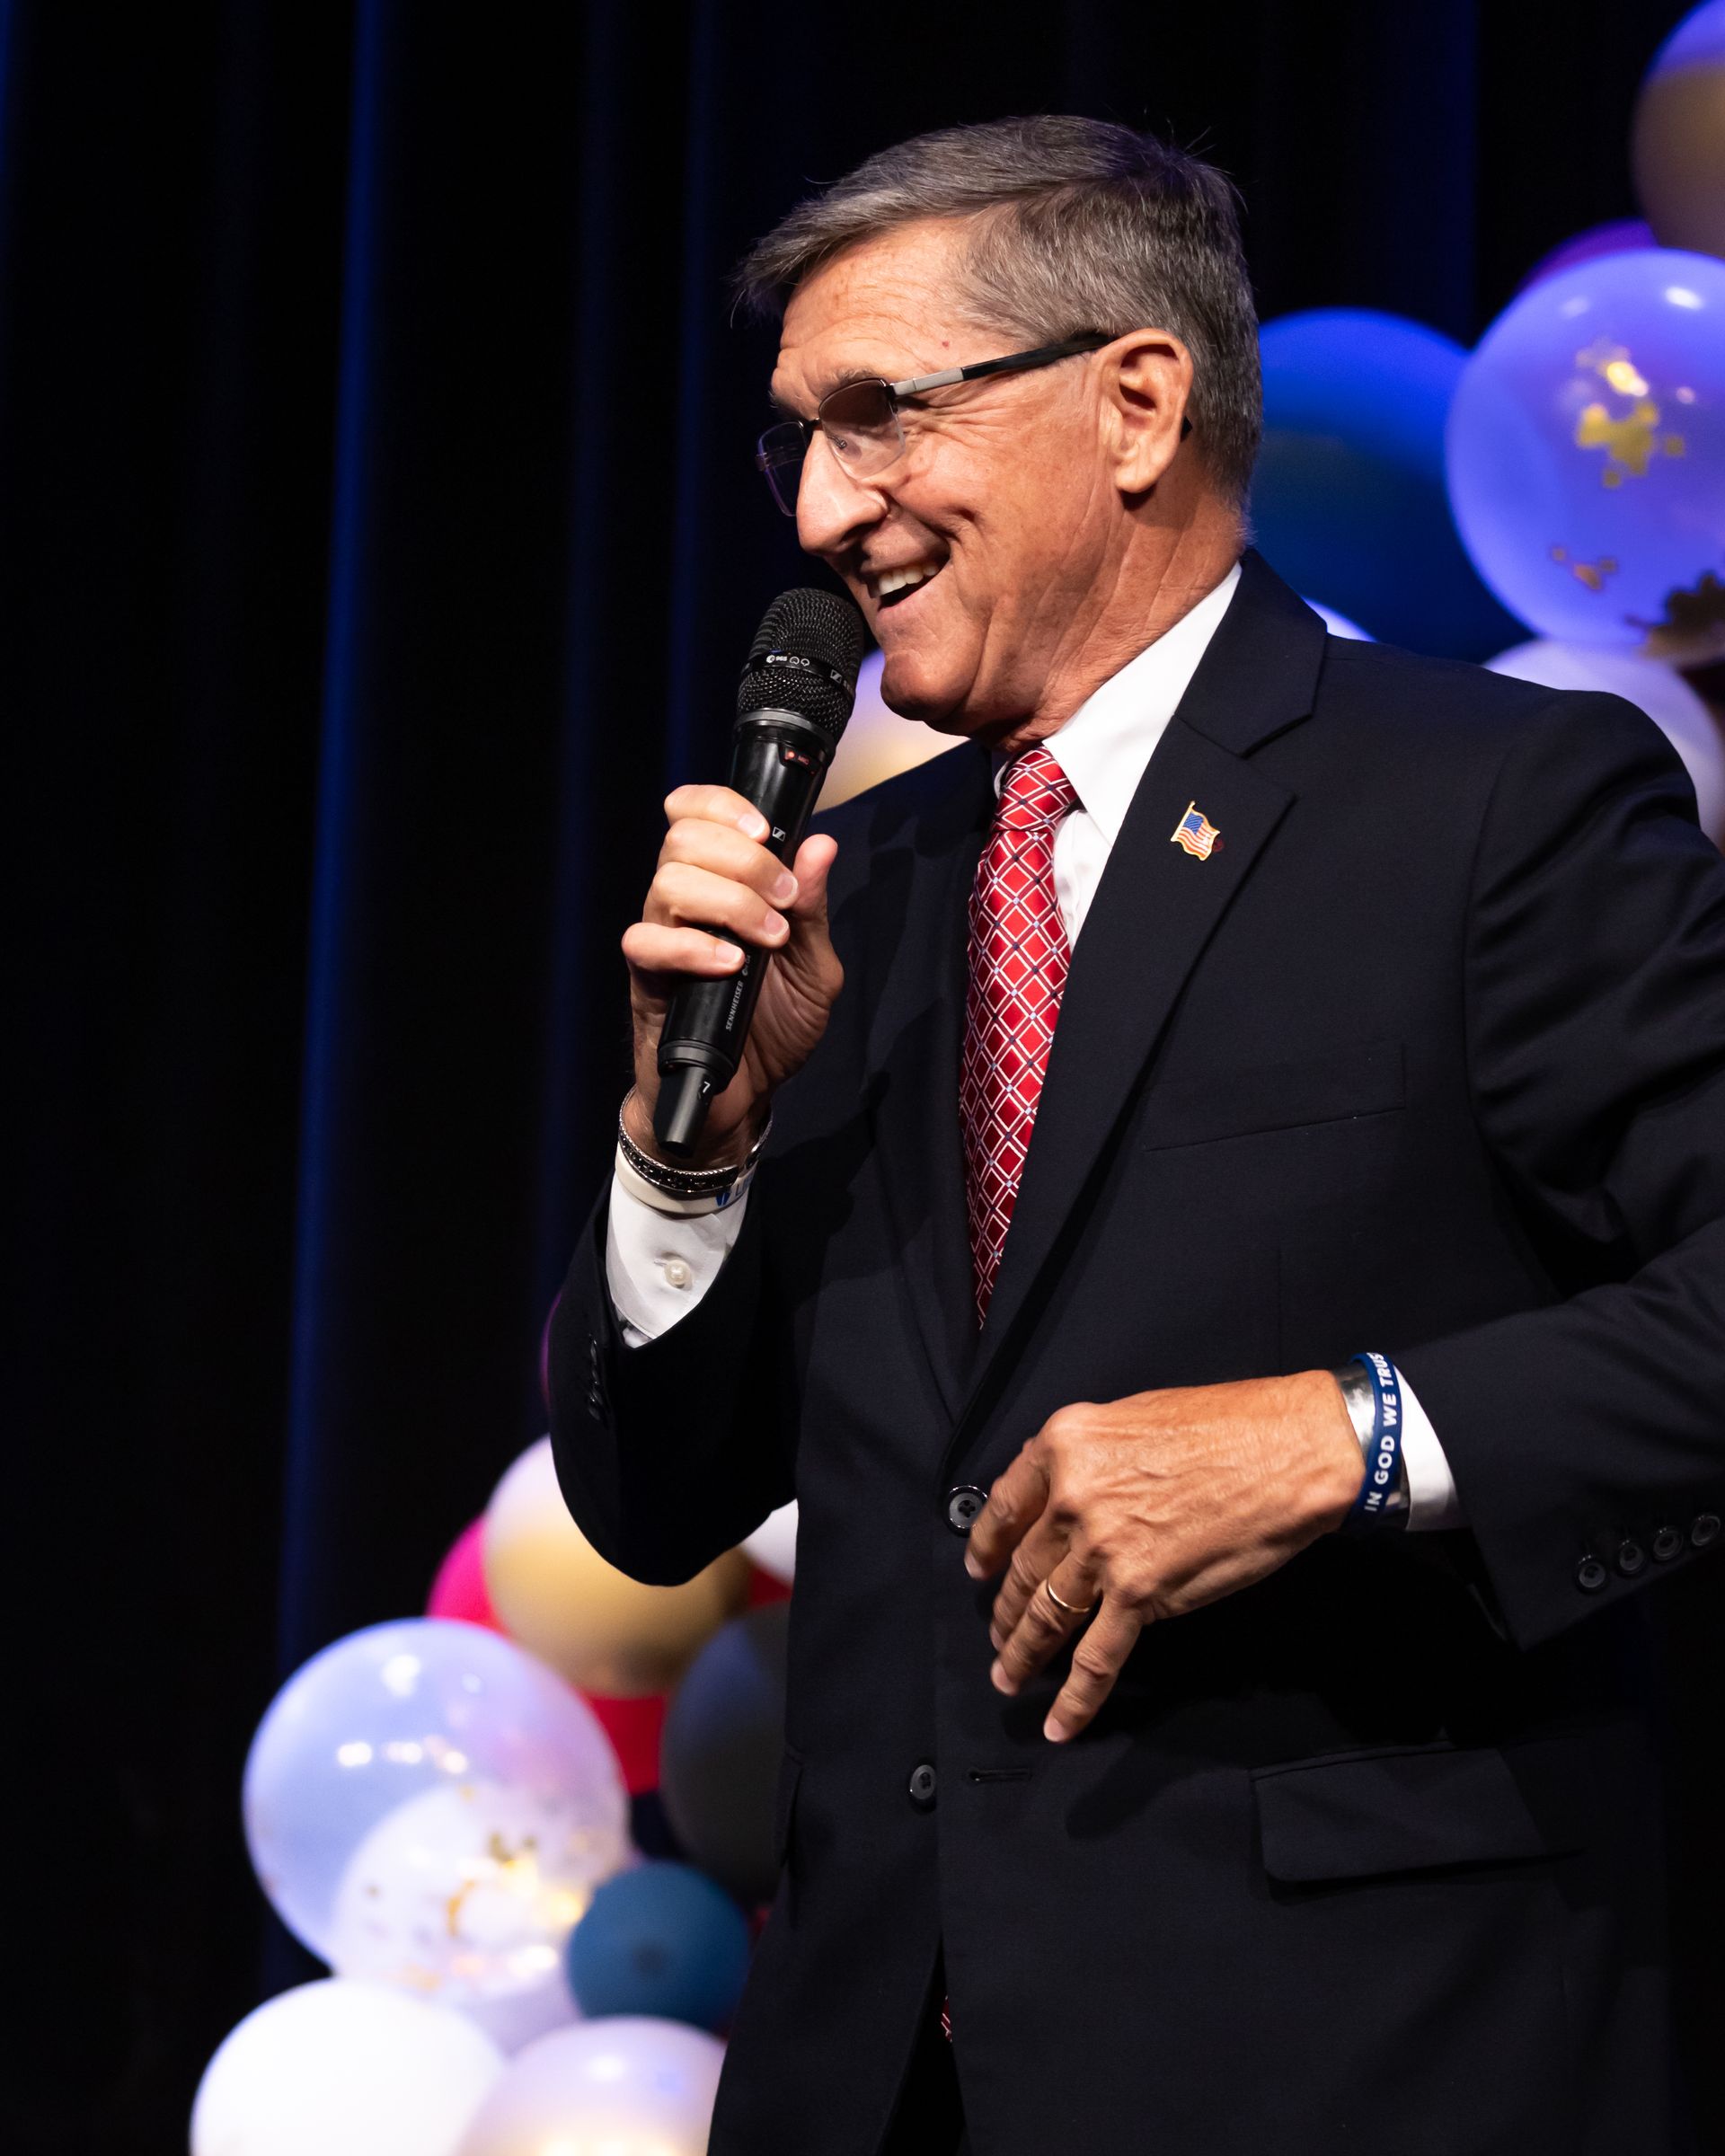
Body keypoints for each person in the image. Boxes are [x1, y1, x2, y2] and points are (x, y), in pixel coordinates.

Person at [548, 117, 1725, 2154]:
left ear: (1137, 404)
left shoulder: (1491, 806)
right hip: (871, 2083)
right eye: (793, 444)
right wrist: (693, 1156)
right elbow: (653, 1509)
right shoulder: (869, 891)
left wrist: (1347, 1436)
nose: (826, 506)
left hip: (1360, 2068)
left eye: (878, 417)